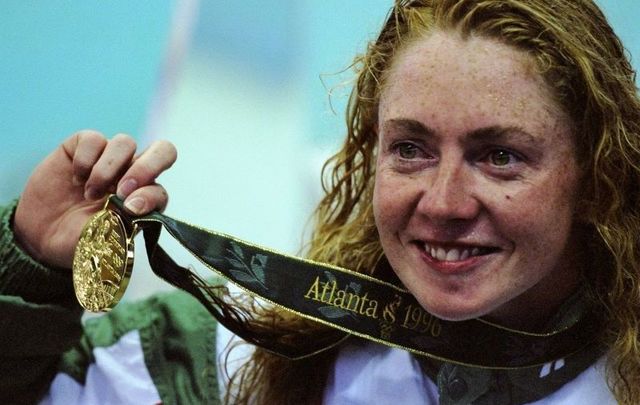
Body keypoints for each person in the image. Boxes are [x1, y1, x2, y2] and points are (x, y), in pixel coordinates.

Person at [2, 0, 640, 403]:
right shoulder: (228, 365)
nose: (444, 202)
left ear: (597, 177)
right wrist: (29, 265)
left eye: (499, 155)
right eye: (411, 149)